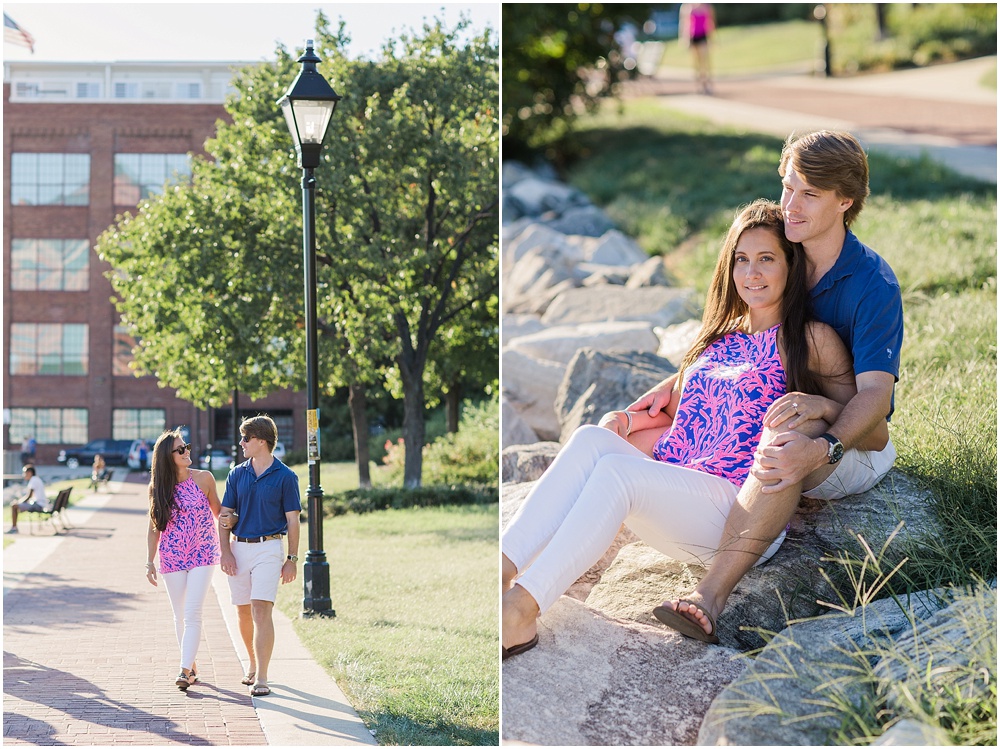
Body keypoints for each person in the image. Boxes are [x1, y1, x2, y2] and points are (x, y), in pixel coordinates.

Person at [502, 199, 860, 657]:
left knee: (617, 473)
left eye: (766, 259)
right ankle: (500, 573)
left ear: (791, 266)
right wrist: (628, 418)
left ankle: (522, 609)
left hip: (738, 510)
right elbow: (684, 408)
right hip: (678, 494)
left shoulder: (810, 339)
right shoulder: (720, 339)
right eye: (741, 259)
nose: (752, 273)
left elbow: (860, 420)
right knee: (591, 438)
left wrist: (819, 406)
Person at [628, 130, 902, 640]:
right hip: (797, 412)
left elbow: (875, 404)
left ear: (845, 201)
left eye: (809, 194)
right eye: (788, 187)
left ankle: (709, 597)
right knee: (646, 431)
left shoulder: (873, 284)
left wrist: (822, 443)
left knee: (788, 436)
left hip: (853, 441)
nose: (790, 205)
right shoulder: (785, 248)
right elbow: (748, 341)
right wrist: (678, 381)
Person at [218, 415, 301, 697]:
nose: (241, 443)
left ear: (261, 441)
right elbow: (225, 516)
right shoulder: (236, 474)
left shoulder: (286, 476)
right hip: (239, 548)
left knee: (260, 609)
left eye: (246, 438)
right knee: (242, 610)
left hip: (269, 548)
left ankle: (262, 677)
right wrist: (225, 551)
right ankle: (252, 663)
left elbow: (293, 520)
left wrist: (292, 559)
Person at [144, 431, 221, 691]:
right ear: (167, 457)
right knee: (179, 616)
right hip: (172, 555)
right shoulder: (158, 488)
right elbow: (154, 528)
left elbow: (219, 512)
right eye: (180, 449)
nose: (186, 451)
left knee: (192, 612)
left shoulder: (204, 478)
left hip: (203, 553)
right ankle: (192, 667)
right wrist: (149, 561)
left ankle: (184, 669)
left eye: (186, 446)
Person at [680, 3, 715, 94]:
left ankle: (707, 82)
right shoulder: (687, 7)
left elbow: (711, 22)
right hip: (693, 37)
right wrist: (684, 38)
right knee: (696, 62)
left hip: (703, 36)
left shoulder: (706, 7)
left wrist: (712, 38)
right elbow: (684, 23)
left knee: (705, 61)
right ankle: (699, 83)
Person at [6, 464, 48, 534]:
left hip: (38, 505)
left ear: (29, 473)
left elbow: (29, 496)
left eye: (24, 473)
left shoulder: (33, 480)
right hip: (40, 503)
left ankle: (14, 528)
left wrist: (19, 502)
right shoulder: (36, 479)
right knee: (16, 505)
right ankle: (14, 527)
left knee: (14, 506)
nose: (23, 475)